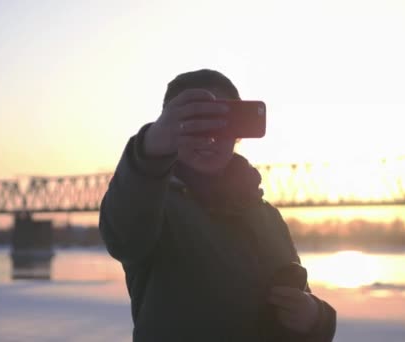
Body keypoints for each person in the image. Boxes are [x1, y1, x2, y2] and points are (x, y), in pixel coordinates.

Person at [98, 69, 336, 341]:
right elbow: (123, 237)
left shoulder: (268, 216)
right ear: (168, 129)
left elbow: (296, 295)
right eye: (195, 122)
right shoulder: (152, 205)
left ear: (238, 133)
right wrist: (149, 150)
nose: (210, 137)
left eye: (222, 121)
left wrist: (315, 318)